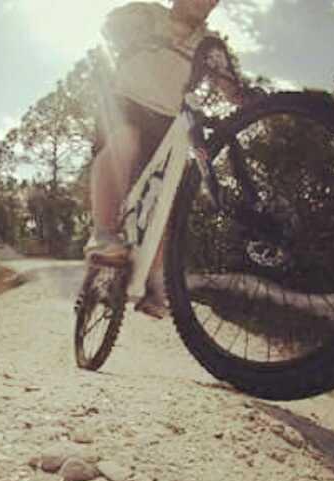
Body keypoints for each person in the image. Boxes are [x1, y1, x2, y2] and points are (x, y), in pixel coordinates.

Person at [86, 0, 245, 318]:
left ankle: (154, 282)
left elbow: (229, 85)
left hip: (167, 122)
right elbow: (110, 28)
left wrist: (243, 95)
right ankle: (103, 233)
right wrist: (133, 35)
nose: (208, 3)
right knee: (124, 141)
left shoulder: (208, 43)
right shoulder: (148, 15)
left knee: (166, 196)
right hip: (126, 102)